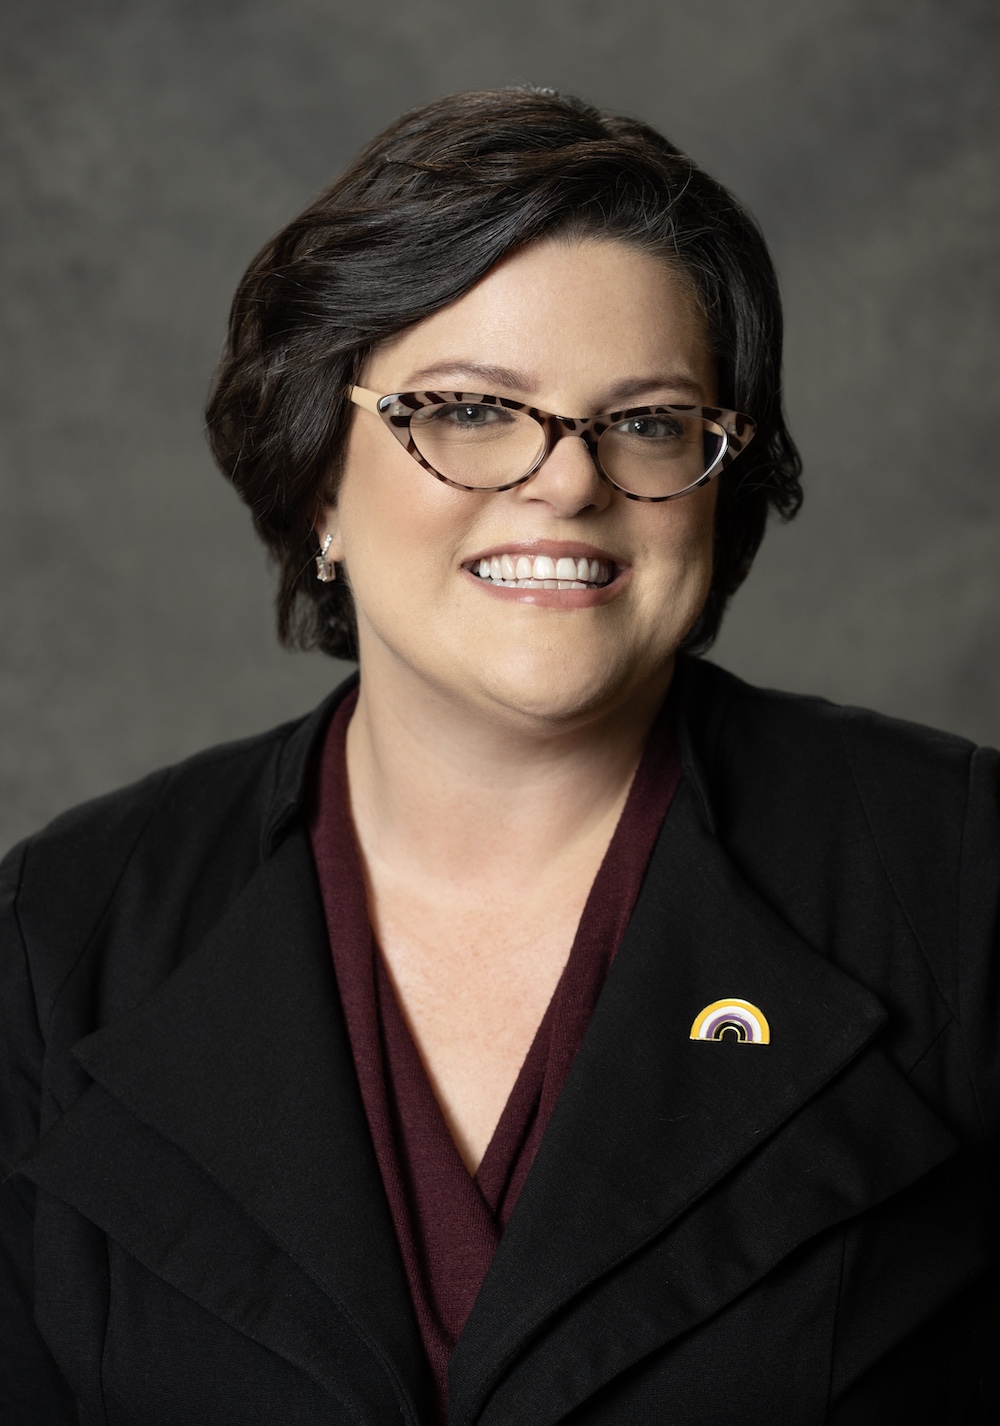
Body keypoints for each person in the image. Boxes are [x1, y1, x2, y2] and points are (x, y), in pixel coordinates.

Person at [1, 86, 997, 1426]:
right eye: (470, 408)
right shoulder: (56, 937)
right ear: (316, 479)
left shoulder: (961, 879)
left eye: (646, 421)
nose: (566, 481)